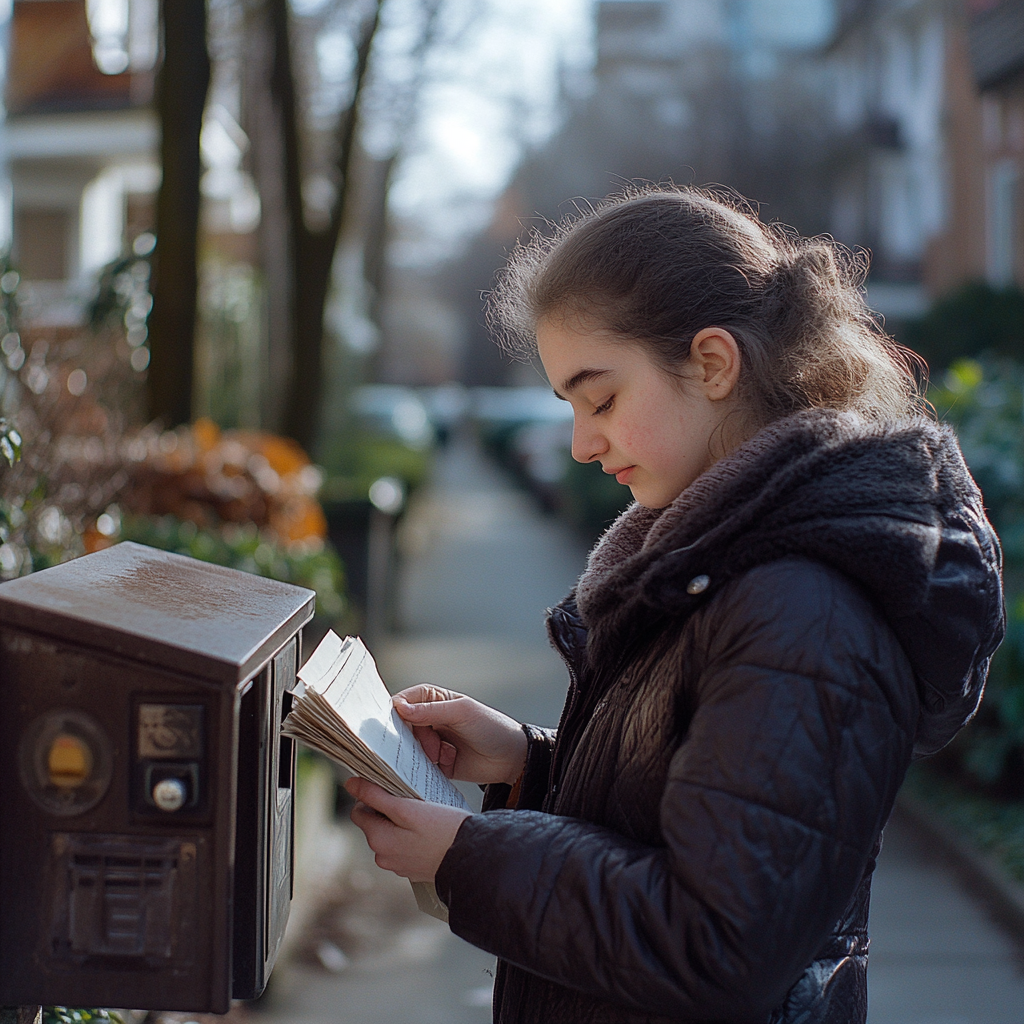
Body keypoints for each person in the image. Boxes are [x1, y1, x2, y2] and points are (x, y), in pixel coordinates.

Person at [345, 186, 1005, 1023]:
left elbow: (720, 945)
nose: (582, 442)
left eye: (602, 398)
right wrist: (529, 761)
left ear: (714, 364)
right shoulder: (722, 565)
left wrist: (472, 860)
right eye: (572, 407)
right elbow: (701, 809)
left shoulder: (802, 609)